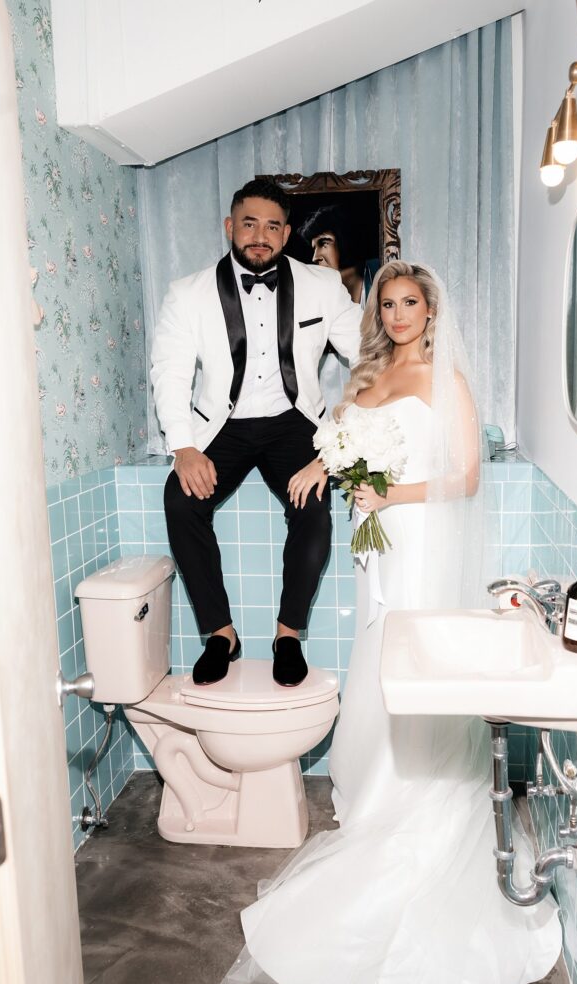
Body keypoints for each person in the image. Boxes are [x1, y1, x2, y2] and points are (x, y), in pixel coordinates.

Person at [209, 262, 562, 984]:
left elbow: (464, 476)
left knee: (411, 654)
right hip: (381, 546)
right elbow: (340, 440)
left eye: (409, 302)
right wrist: (318, 464)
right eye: (387, 303)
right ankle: (372, 791)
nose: (397, 314)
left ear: (430, 310)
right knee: (378, 652)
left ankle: (415, 794)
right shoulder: (369, 370)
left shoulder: (444, 376)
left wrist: (383, 493)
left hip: (421, 539)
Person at [150, 179, 362, 687]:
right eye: (249, 223)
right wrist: (183, 447)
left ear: (287, 233)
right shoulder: (188, 294)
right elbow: (170, 372)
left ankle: (287, 635)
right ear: (230, 227)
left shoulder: (322, 287)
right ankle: (221, 634)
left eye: (272, 226)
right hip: (222, 423)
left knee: (314, 508)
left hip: (294, 420)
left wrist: (338, 436)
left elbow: (368, 358)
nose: (259, 235)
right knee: (180, 502)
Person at [299, 204, 379, 306]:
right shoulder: (320, 295)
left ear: (345, 239)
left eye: (323, 243)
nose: (315, 258)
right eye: (314, 248)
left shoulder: (382, 273)